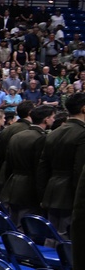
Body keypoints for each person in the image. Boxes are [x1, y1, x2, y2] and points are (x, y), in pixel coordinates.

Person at [39, 92, 85, 237]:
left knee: (51, 237)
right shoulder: (82, 133)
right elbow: (79, 170)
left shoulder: (53, 133)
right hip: (71, 195)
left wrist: (43, 194)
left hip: (51, 191)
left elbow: (43, 168)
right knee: (68, 239)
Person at [1, 105, 53, 226]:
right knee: (27, 227)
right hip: (29, 189)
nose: (53, 120)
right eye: (52, 117)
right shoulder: (41, 138)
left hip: (12, 185)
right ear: (46, 119)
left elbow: (7, 164)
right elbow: (39, 169)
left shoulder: (16, 136)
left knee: (14, 225)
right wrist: (42, 195)